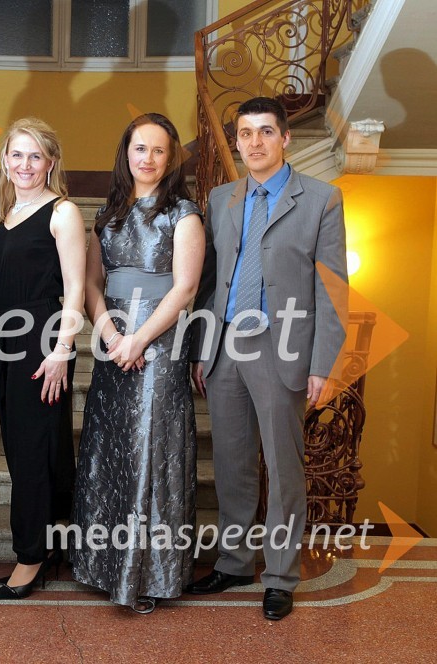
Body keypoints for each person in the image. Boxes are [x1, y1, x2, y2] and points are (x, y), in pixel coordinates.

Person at [188, 97, 347, 621]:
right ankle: (234, 561)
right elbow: (209, 280)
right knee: (232, 463)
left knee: (283, 467)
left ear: (286, 139)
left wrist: (323, 363)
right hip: (226, 343)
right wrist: (201, 346)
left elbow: (332, 290)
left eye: (266, 132)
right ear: (235, 140)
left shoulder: (322, 199)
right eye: (245, 133)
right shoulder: (220, 198)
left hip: (283, 349)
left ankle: (279, 575)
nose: (254, 142)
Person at [70, 113, 204, 613]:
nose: (146, 158)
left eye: (158, 151)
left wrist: (139, 340)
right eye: (138, 148)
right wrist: (108, 334)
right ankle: (102, 566)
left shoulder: (184, 214)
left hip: (160, 346)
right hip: (113, 343)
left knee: (150, 448)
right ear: (126, 153)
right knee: (109, 447)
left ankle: (145, 574)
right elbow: (91, 285)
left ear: (170, 160)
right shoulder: (107, 213)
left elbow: (185, 288)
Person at [0, 118, 86, 600]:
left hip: (42, 345)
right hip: (6, 347)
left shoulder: (61, 212)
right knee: (24, 452)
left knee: (34, 456)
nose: (25, 165)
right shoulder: (6, 213)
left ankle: (30, 558)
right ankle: (48, 544)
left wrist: (63, 351)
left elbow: (75, 291)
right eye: (17, 155)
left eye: (35, 156)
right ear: (5, 160)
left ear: (51, 163)